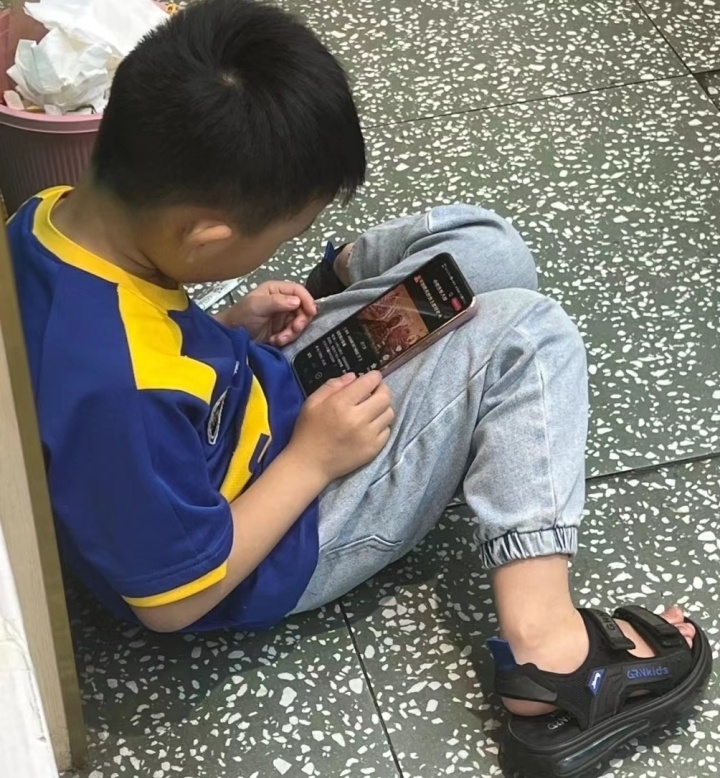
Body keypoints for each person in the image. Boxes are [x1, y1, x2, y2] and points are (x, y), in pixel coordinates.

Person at [8, 0, 709, 774]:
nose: (289, 239)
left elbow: (148, 339)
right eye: (286, 230)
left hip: (257, 405)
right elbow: (173, 600)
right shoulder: (118, 395)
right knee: (529, 335)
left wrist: (227, 327)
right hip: (283, 532)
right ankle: (551, 660)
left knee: (485, 249)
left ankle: (339, 282)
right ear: (206, 237)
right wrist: (313, 460)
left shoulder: (45, 217)